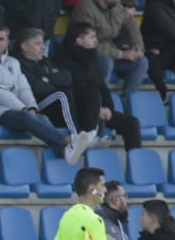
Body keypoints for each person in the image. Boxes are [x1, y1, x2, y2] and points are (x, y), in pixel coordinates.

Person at [0, 25, 69, 156]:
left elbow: (24, 89)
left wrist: (31, 107)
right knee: (26, 117)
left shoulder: (13, 62)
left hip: (10, 110)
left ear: (7, 42)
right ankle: (65, 143)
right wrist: (23, 109)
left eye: (1, 39)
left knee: (42, 118)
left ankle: (62, 150)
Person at [54, 23, 142, 151]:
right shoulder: (63, 60)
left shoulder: (92, 59)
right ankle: (87, 137)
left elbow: (103, 87)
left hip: (96, 109)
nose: (96, 41)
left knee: (132, 123)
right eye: (92, 37)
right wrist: (95, 108)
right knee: (91, 90)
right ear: (79, 40)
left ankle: (136, 162)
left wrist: (107, 108)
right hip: (76, 112)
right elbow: (73, 90)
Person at [15, 27, 93, 164]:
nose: (42, 47)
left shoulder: (44, 61)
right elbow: (36, 88)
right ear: (24, 46)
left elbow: (67, 78)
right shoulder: (18, 63)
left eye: (43, 43)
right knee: (62, 94)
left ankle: (92, 133)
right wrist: (52, 79)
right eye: (38, 43)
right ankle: (75, 136)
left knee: (87, 92)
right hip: (34, 106)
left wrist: (47, 78)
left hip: (50, 103)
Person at [68, 0, 148, 102]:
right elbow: (90, 44)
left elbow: (131, 24)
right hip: (88, 55)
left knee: (141, 62)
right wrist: (121, 54)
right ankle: (99, 102)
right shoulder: (85, 10)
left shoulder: (116, 4)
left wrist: (138, 47)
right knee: (106, 62)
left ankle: (126, 103)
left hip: (111, 50)